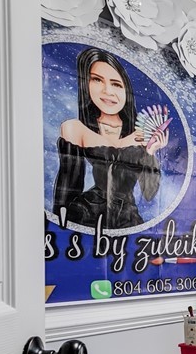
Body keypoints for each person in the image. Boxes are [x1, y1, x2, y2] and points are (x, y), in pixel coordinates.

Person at [53, 48, 170, 230]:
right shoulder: (74, 128)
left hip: (128, 219)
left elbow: (149, 194)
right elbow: (68, 187)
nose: (107, 91)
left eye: (116, 84)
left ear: (126, 90)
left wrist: (150, 153)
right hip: (86, 214)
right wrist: (58, 233)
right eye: (97, 80)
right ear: (86, 84)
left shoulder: (141, 134)